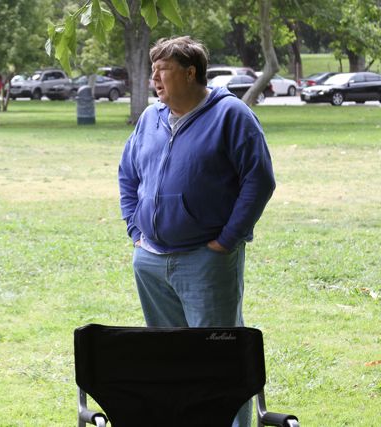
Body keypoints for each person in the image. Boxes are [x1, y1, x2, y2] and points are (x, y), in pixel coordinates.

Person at [118, 36, 275, 427]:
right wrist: (135, 228)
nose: (155, 78)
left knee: (220, 358)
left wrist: (227, 239)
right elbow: (128, 174)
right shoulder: (150, 118)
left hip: (205, 262)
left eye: (163, 70)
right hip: (151, 262)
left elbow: (259, 180)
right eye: (153, 70)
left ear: (191, 73)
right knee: (171, 359)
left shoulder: (231, 115)